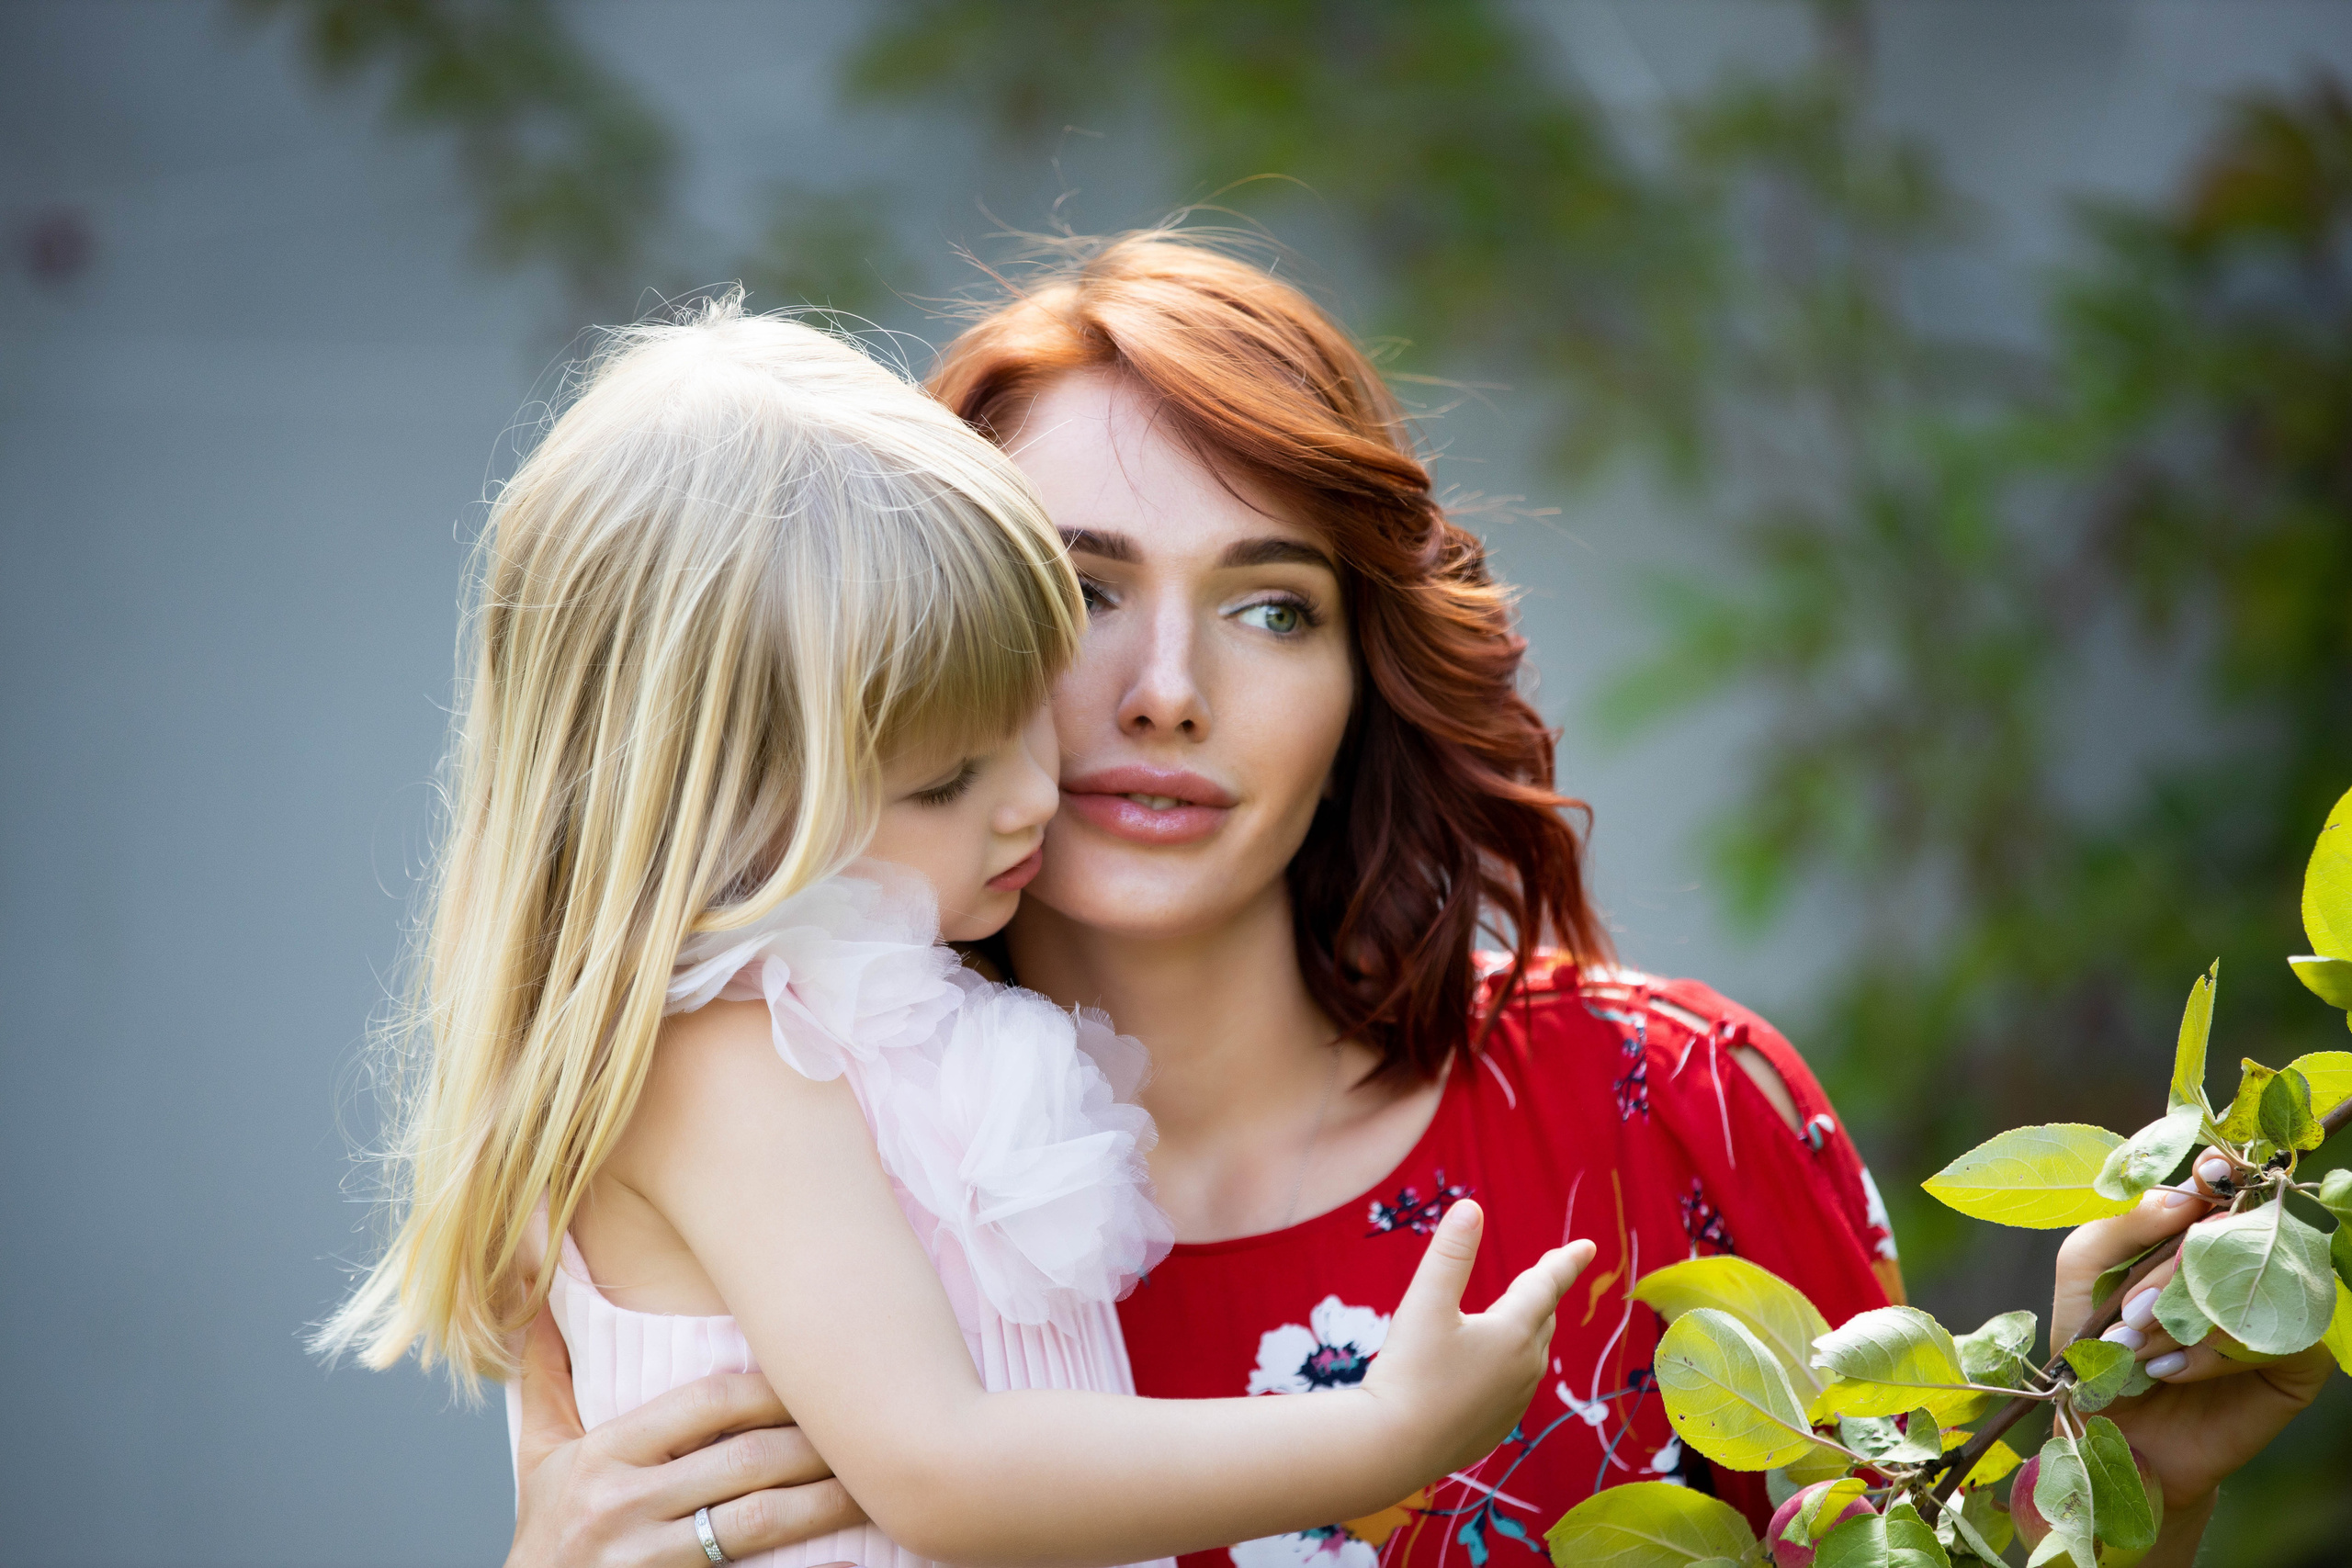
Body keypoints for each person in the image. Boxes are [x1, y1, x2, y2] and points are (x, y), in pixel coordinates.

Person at [500, 239, 2333, 1568]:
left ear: (1365, 670)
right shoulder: (780, 1132)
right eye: (1074, 595)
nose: (1163, 687)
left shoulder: (1661, 1111)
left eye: (1269, 602)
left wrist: (2122, 1493)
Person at [322, 296, 1596, 1568]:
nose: (1035, 799)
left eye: (1021, 730)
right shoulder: (727, 1063)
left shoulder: (892, 1030)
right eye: (943, 782)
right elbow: (943, 1468)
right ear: (722, 799)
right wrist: (1383, 1435)